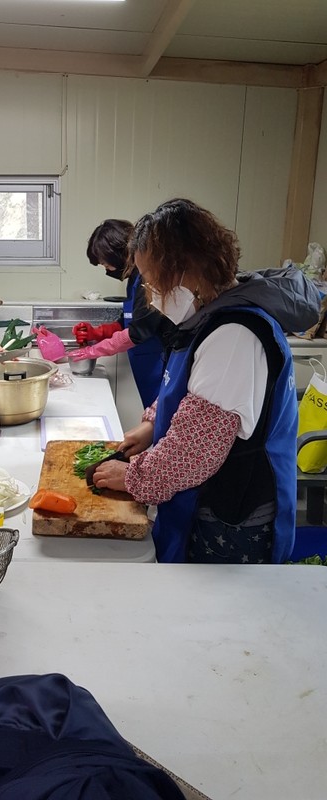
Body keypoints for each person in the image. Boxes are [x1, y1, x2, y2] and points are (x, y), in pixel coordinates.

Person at [91, 198, 322, 564]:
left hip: (232, 514)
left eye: (151, 280)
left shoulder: (234, 334)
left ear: (185, 269)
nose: (150, 294)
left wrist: (132, 476)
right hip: (212, 495)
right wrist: (152, 423)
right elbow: (187, 389)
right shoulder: (209, 316)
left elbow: (193, 451)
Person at [68, 219, 176, 408]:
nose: (105, 268)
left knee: (159, 418)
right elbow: (129, 319)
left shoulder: (149, 279)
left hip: (159, 365)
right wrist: (98, 332)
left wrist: (93, 351)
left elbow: (138, 331)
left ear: (118, 253)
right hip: (143, 364)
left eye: (105, 263)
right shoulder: (133, 278)